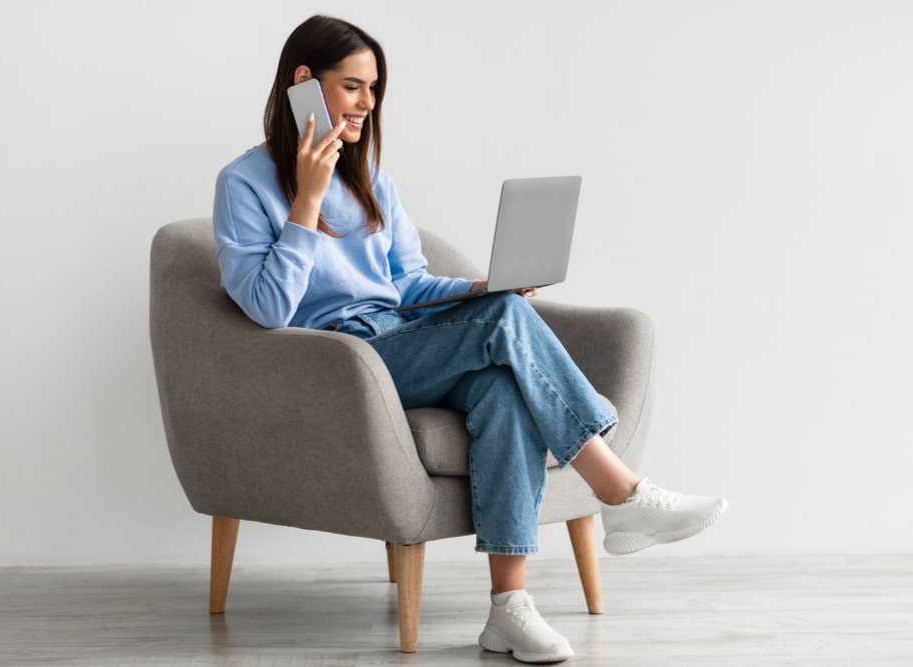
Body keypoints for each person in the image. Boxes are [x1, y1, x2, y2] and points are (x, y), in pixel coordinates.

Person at [213, 15, 728, 664]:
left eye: (375, 89)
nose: (369, 103)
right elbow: (267, 307)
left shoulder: (372, 178)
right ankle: (619, 493)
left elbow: (406, 284)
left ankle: (508, 607)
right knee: (507, 327)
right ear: (304, 83)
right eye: (353, 86)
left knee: (501, 384)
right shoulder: (242, 184)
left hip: (405, 338)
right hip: (343, 362)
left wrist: (480, 290)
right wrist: (307, 203)